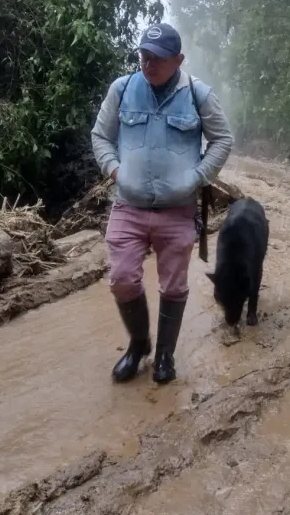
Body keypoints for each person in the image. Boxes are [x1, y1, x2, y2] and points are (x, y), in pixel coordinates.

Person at [91, 23, 234, 384]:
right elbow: (100, 136)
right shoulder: (122, 89)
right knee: (122, 279)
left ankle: (165, 356)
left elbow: (222, 139)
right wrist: (114, 171)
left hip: (177, 210)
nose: (148, 64)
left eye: (157, 58)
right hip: (129, 206)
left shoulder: (199, 94)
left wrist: (198, 176)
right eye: (143, 56)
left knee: (173, 286)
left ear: (178, 60)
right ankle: (139, 346)